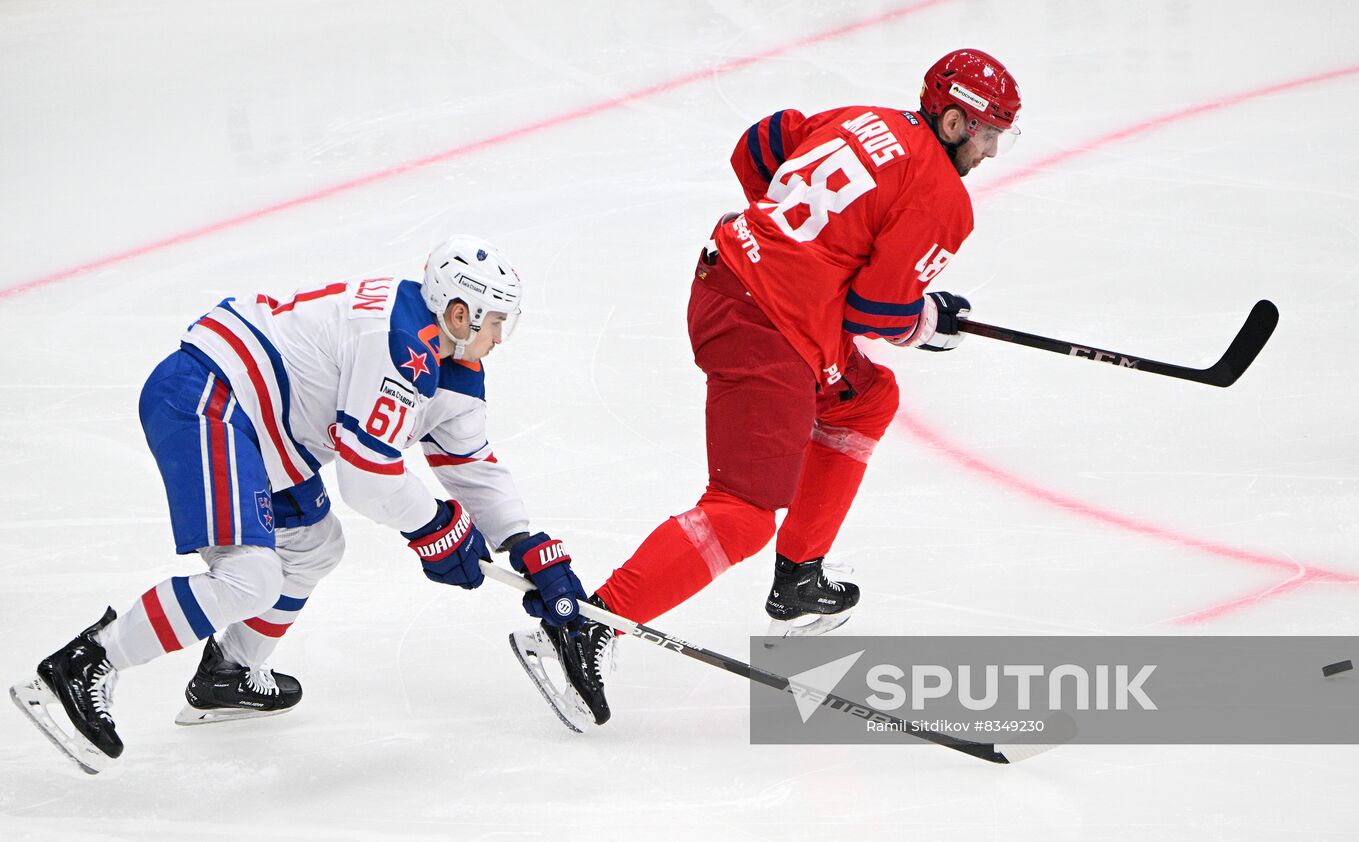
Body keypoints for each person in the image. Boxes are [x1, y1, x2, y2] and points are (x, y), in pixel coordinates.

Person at [513, 48, 1022, 728]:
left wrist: (792, 242)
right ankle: (585, 623)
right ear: (955, 121)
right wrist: (925, 318)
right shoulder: (943, 196)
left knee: (865, 397)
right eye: (987, 133)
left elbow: (760, 143)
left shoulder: (865, 117)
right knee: (744, 512)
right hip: (764, 327)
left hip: (727, 276)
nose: (990, 151)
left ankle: (800, 579)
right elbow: (876, 313)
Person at [9, 236, 589, 773]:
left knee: (313, 546)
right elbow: (368, 476)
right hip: (210, 397)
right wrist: (435, 527)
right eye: (495, 321)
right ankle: (86, 663)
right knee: (248, 579)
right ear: (459, 313)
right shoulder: (397, 342)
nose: (501, 336)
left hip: (265, 430)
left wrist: (525, 543)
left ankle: (229, 672)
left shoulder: (449, 358)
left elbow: (468, 463)